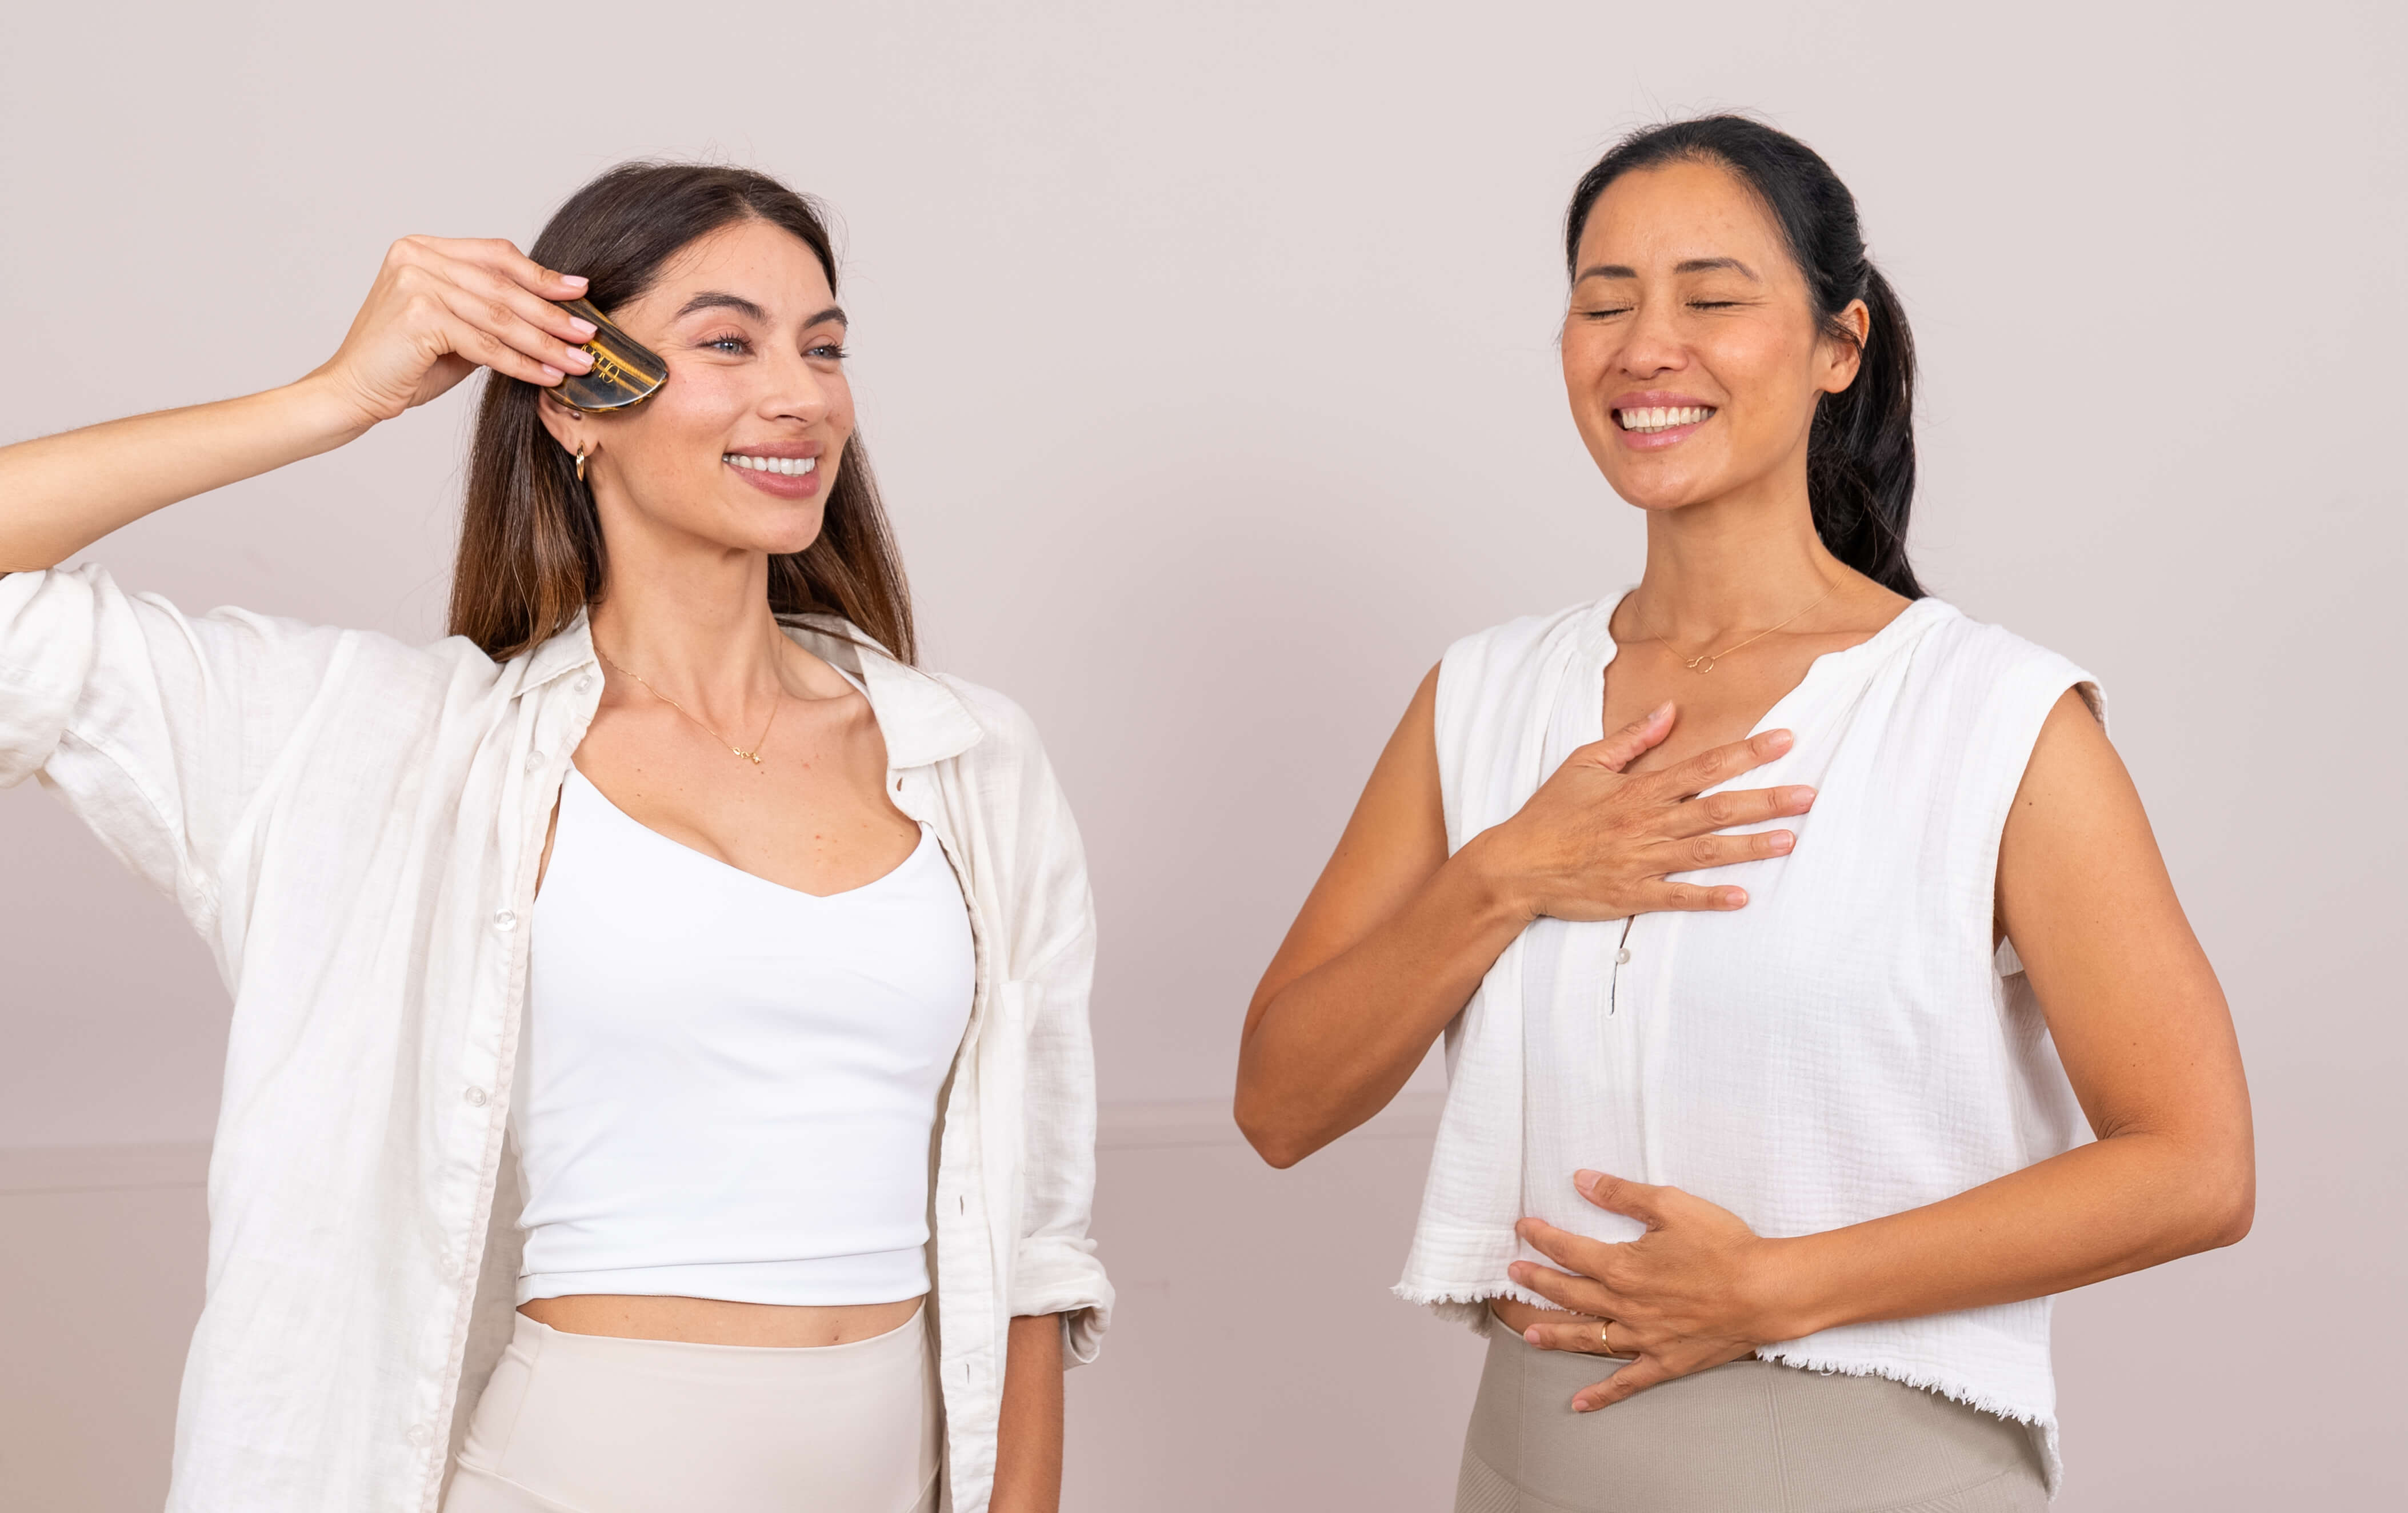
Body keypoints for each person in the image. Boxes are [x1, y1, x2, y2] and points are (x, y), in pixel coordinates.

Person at [0, 162, 1109, 1513]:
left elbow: (1034, 1239)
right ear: (578, 400)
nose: (799, 393)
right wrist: (332, 399)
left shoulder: (972, 761)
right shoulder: (399, 748)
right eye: (726, 341)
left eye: (823, 347)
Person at [1234, 116, 2252, 1511]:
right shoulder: (1481, 699)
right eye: (1604, 301)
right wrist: (1505, 875)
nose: (1647, 344)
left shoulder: (1990, 717)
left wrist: (1771, 1285)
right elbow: (1279, 1104)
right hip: (1528, 1458)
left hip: (1875, 1463)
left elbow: (2195, 1167)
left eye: (1712, 298)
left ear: (1837, 346)